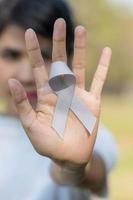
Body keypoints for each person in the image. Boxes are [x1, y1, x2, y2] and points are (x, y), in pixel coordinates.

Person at [0, 0, 117, 199]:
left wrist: (74, 168)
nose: (26, 75)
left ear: (68, 60)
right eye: (12, 55)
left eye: (45, 55)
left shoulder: (88, 132)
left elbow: (91, 175)